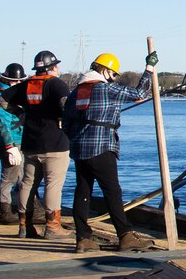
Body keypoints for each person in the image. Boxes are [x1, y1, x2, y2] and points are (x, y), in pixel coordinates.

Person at [62, 52, 158, 254]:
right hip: (102, 147)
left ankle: (83, 239)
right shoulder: (105, 88)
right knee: (112, 192)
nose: (114, 79)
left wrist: (75, 140)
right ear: (105, 71)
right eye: (114, 75)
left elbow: (67, 124)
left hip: (79, 149)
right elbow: (140, 93)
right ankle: (125, 236)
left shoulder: (75, 93)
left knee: (83, 191)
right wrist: (149, 69)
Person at [2, 50, 71, 239]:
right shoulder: (57, 85)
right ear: (53, 67)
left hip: (30, 143)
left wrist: (21, 113)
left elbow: (1, 100)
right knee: (53, 185)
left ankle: (24, 226)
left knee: (27, 183)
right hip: (55, 143)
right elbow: (68, 107)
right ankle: (53, 226)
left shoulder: (25, 85)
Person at [0, 62, 26, 224]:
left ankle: (29, 210)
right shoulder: (0, 99)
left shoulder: (16, 97)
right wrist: (10, 147)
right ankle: (5, 213)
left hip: (20, 142)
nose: (17, 84)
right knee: (8, 179)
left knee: (24, 178)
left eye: (19, 82)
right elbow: (3, 124)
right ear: (6, 80)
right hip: (9, 144)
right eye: (14, 81)